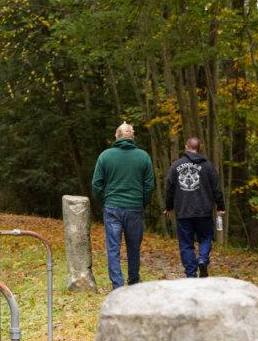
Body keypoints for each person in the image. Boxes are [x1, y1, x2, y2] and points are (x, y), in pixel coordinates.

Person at [92, 122, 155, 288]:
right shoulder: (143, 156)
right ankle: (134, 282)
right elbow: (149, 185)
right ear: (132, 136)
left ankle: (117, 285)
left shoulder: (105, 156)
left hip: (112, 207)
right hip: (135, 207)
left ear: (116, 136)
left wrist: (104, 202)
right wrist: (142, 203)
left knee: (113, 248)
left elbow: (96, 184)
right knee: (134, 247)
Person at [164, 137, 226, 278]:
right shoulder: (208, 166)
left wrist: (169, 206)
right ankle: (203, 259)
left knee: (186, 244)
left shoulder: (176, 165)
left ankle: (191, 274)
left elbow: (169, 188)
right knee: (205, 238)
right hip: (203, 211)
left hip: (183, 211)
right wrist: (220, 207)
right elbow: (217, 188)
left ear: (186, 147)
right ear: (199, 148)